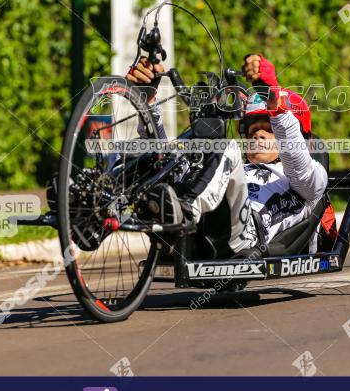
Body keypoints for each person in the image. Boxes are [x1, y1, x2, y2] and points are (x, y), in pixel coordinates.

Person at [125, 53, 332, 256]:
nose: (258, 136)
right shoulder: (232, 169)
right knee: (153, 158)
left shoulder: (309, 180)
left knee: (226, 147)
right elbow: (167, 164)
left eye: (269, 130)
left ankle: (185, 213)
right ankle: (102, 213)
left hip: (245, 236)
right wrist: (148, 103)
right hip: (200, 230)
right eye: (252, 131)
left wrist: (274, 104)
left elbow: (298, 162)